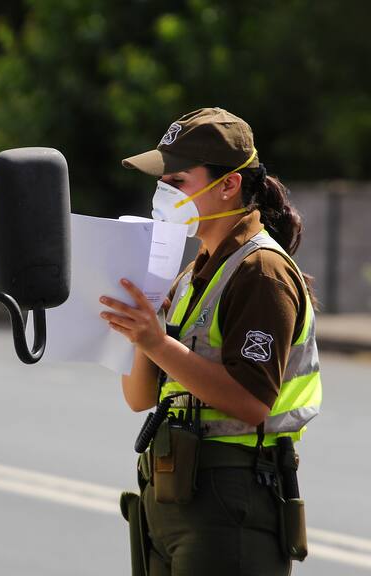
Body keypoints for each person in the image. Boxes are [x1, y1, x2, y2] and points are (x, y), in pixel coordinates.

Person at [101, 108, 322, 575]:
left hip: (228, 500)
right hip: (175, 496)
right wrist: (140, 335)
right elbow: (140, 397)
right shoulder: (192, 271)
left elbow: (250, 401)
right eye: (161, 182)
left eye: (177, 180)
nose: (163, 193)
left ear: (229, 185)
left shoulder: (261, 271)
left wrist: (157, 343)